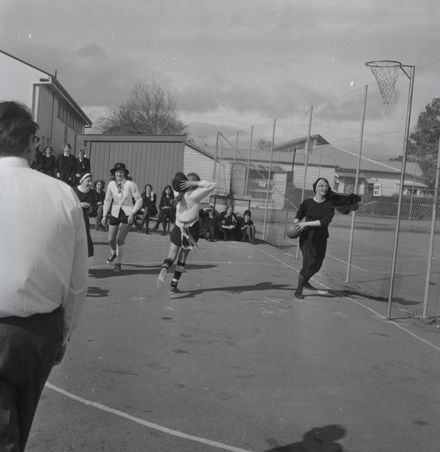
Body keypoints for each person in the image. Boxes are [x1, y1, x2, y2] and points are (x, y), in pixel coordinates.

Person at [0, 101, 88, 451]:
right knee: (15, 427)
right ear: (30, 142)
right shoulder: (62, 194)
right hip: (39, 334)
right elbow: (77, 281)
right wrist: (64, 334)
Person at [157, 172, 216, 295]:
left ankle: (164, 268)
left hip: (178, 226)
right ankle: (173, 285)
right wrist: (194, 183)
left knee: (171, 255)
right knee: (182, 257)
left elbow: (176, 179)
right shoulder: (195, 195)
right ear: (192, 185)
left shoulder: (177, 193)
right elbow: (211, 185)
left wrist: (183, 182)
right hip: (191, 228)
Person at [102, 162, 142, 272]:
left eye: (121, 172)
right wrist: (104, 215)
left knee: (120, 240)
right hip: (115, 212)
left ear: (124, 173)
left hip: (127, 213)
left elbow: (139, 200)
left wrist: (133, 214)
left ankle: (118, 263)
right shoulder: (111, 185)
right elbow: (107, 200)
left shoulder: (130, 184)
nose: (119, 174)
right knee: (111, 239)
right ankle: (113, 252)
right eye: (117, 172)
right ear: (114, 173)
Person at [73, 173, 97, 257]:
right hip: (73, 219)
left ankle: (83, 259)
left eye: (91, 181)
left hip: (84, 219)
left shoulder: (92, 192)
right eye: (88, 181)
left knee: (85, 238)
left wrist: (91, 209)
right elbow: (68, 204)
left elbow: (94, 207)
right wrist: (80, 205)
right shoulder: (74, 190)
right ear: (82, 181)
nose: (90, 183)